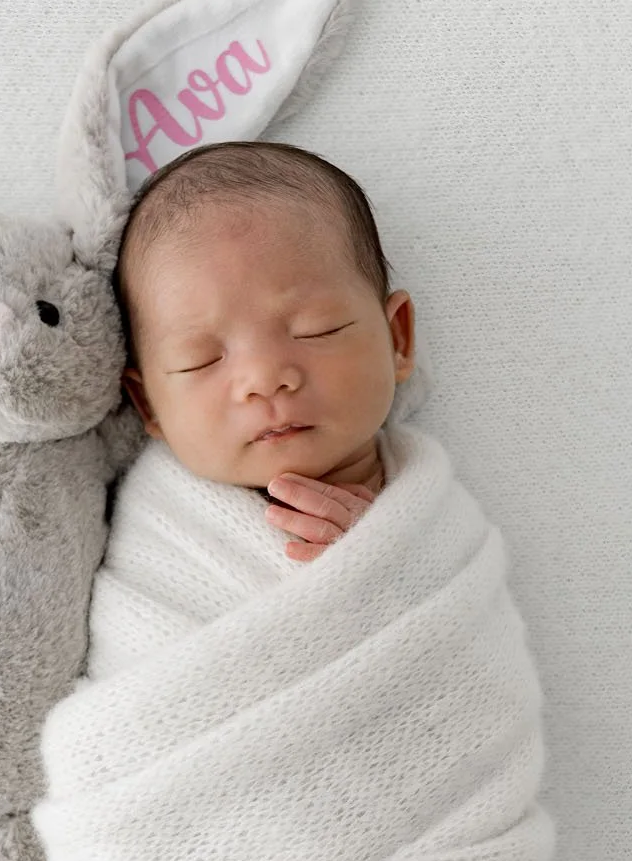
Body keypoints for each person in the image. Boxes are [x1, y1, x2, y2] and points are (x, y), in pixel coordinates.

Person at [112, 139, 417, 562]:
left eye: (316, 330)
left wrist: (395, 566)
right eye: (200, 358)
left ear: (396, 339)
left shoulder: (434, 514)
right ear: (148, 404)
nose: (264, 378)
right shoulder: (157, 534)